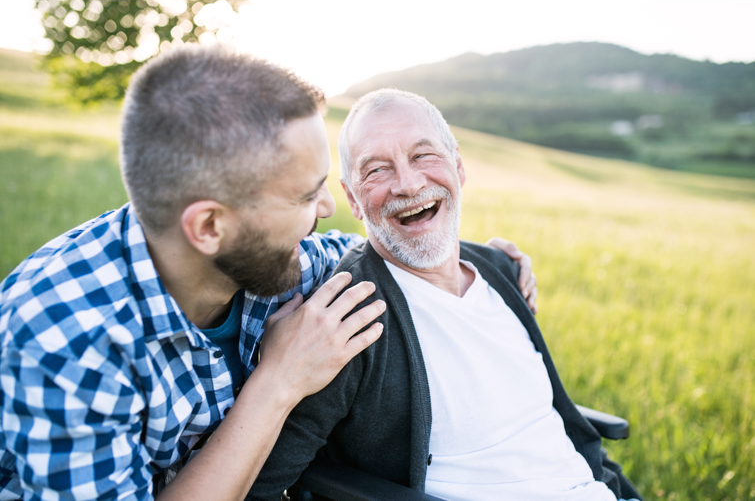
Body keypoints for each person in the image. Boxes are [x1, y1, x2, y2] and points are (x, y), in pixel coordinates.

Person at [0, 46, 536, 500]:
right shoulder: (64, 338)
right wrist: (279, 381)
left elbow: (371, 246)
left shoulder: (276, 258)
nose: (327, 207)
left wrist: (482, 259)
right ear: (209, 226)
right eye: (306, 195)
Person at [246, 89, 642, 501]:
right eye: (377, 170)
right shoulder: (347, 318)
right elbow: (264, 485)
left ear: (458, 167)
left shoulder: (500, 270)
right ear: (353, 200)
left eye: (423, 156)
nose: (408, 183)